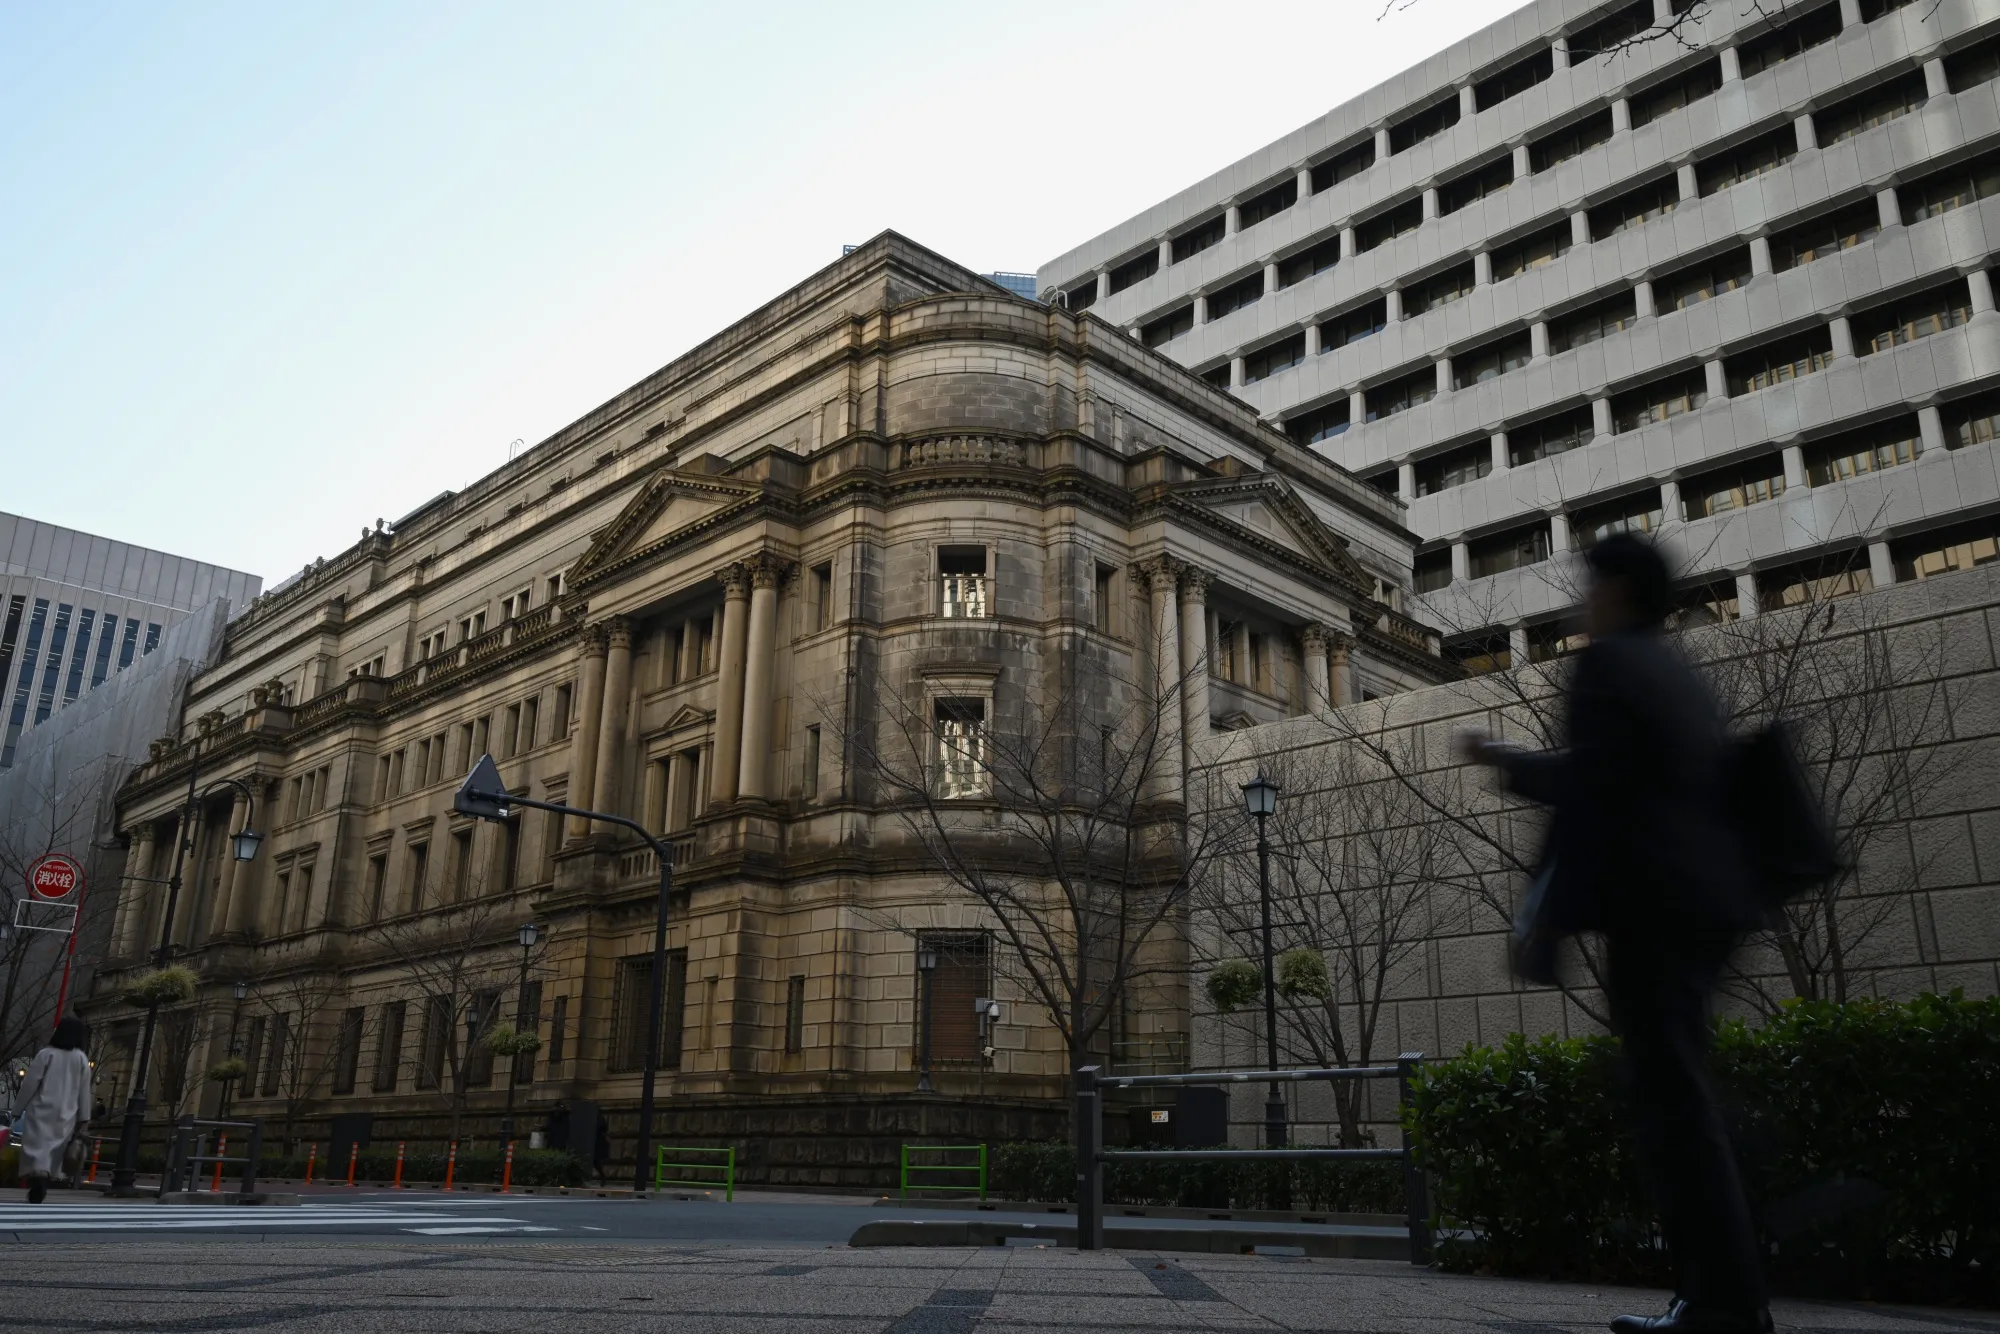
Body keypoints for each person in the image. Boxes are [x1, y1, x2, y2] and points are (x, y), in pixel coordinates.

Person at [1458, 533, 1769, 1334]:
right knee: (1678, 1091)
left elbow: (1591, 786)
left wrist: (1504, 761)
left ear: (1618, 592)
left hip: (1652, 902)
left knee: (1670, 1105)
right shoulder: (1677, 670)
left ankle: (1721, 1303)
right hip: (1710, 900)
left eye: (1590, 586)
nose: (1581, 602)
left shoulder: (1608, 665)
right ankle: (1723, 1294)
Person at [14, 1016, 93, 1205]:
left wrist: (18, 1108)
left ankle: (38, 1178)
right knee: (53, 1149)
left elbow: (30, 1084)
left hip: (41, 1108)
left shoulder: (46, 1054)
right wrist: (84, 1117)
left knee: (37, 1147)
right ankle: (45, 1177)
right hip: (67, 1112)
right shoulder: (81, 1058)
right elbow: (84, 1091)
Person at [591, 1114, 611, 1188]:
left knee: (596, 1161)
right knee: (596, 1162)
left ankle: (603, 1177)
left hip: (597, 1143)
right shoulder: (598, 1118)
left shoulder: (598, 1118)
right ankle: (603, 1177)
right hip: (596, 1142)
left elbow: (604, 1130)